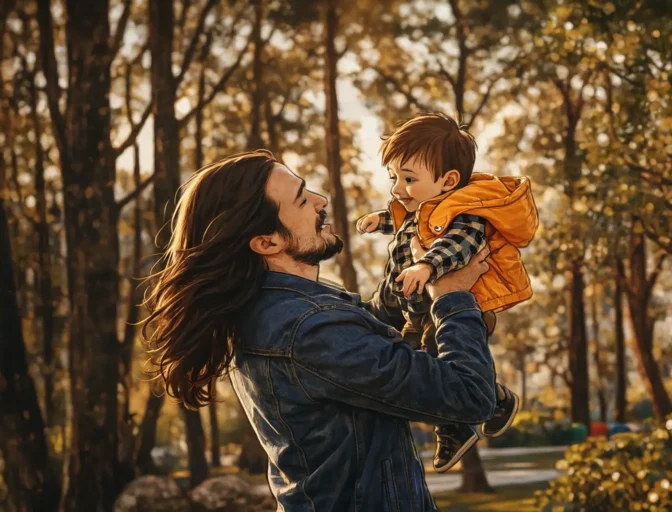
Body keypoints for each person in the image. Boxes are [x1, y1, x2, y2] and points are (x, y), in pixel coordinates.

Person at [143, 150, 498, 511]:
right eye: (301, 199)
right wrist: (454, 296)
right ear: (267, 242)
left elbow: (371, 330)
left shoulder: (287, 310)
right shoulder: (309, 329)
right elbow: (469, 396)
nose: (320, 201)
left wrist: (412, 269)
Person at [356, 112, 538, 472]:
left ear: (448, 180)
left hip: (457, 309)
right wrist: (382, 220)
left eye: (408, 179)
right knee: (414, 362)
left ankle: (454, 427)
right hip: (419, 310)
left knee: (437, 362)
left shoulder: (466, 215)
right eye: (394, 177)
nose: (397, 189)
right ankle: (498, 400)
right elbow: (406, 222)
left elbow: (458, 245)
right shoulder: (421, 210)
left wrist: (427, 266)